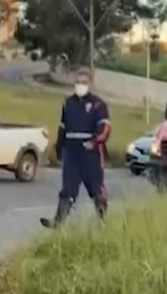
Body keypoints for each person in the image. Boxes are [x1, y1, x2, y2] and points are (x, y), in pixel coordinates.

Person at [40, 68, 111, 229]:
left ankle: (103, 222)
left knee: (96, 188)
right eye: (78, 82)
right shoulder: (68, 103)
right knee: (68, 188)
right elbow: (62, 127)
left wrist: (94, 142)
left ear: (90, 84)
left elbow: (105, 128)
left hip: (91, 153)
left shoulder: (98, 105)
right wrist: (59, 148)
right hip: (72, 152)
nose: (80, 85)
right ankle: (58, 221)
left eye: (84, 82)